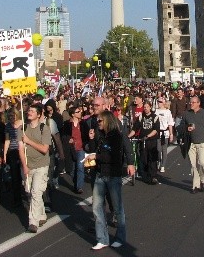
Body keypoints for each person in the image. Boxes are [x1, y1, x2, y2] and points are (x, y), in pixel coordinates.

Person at [86, 110, 126, 250]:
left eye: (100, 121)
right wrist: (91, 139)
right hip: (99, 174)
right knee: (97, 207)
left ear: (107, 121)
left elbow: (114, 158)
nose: (98, 123)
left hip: (113, 175)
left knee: (117, 208)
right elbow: (93, 151)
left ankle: (120, 237)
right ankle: (102, 238)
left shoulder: (116, 137)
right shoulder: (100, 135)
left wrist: (97, 157)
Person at [18, 103, 51, 233]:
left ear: (38, 114)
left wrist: (29, 141)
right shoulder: (22, 128)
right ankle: (41, 215)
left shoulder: (44, 128)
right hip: (28, 165)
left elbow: (44, 149)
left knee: (36, 191)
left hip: (42, 165)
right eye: (29, 110)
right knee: (30, 192)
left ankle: (33, 222)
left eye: (32, 111)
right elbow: (21, 149)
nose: (29, 112)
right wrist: (24, 166)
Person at [182, 95, 204, 193]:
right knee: (193, 165)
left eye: (193, 102)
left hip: (202, 142)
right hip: (190, 143)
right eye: (190, 102)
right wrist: (187, 128)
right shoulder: (186, 114)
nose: (191, 104)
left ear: (198, 103)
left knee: (202, 162)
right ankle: (195, 185)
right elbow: (181, 126)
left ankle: (203, 180)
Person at [129, 101, 159, 184]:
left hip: (152, 141)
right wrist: (128, 136)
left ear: (150, 107)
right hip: (142, 141)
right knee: (144, 158)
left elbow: (156, 130)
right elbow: (135, 129)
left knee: (152, 159)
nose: (145, 109)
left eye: (147, 107)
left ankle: (153, 176)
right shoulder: (141, 117)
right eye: (144, 107)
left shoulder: (155, 117)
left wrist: (148, 136)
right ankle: (145, 174)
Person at [61, 104, 89, 194]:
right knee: (72, 170)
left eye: (80, 111)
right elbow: (63, 135)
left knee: (80, 167)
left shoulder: (83, 123)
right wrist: (68, 139)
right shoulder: (67, 124)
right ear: (73, 114)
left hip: (81, 148)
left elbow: (87, 134)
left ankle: (79, 187)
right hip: (71, 148)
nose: (80, 112)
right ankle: (76, 182)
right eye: (77, 112)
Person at [3, 107, 25, 205]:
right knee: (15, 175)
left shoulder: (23, 124)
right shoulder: (8, 126)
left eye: (13, 115)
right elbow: (7, 140)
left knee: (24, 173)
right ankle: (17, 199)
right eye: (9, 116)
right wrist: (4, 154)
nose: (11, 117)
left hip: (23, 150)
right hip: (13, 151)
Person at [155, 97, 174, 173]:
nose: (158, 103)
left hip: (165, 133)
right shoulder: (156, 111)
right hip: (157, 133)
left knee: (164, 149)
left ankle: (163, 165)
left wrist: (171, 134)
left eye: (159, 102)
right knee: (158, 149)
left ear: (163, 103)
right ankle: (158, 161)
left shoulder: (168, 112)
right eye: (158, 101)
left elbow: (170, 123)